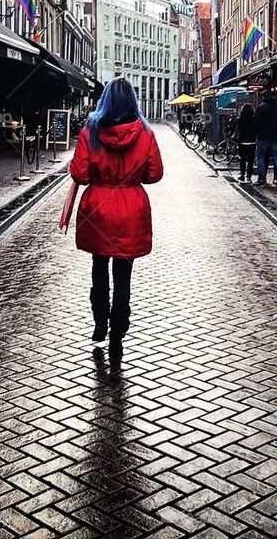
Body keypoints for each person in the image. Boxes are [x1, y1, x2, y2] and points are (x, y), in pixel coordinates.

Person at [70, 77, 164, 358]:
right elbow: (154, 173)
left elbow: (80, 174)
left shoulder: (91, 131)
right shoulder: (145, 133)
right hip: (130, 209)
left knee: (99, 267)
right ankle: (118, 333)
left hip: (98, 208)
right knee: (124, 274)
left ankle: (100, 322)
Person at [254, 93, 277, 187]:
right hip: (275, 137)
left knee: (261, 158)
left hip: (263, 137)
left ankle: (262, 179)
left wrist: (257, 133)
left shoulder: (260, 108)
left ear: (263, 98)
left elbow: (256, 123)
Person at [236, 103, 257, 182]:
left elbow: (234, 129)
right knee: (251, 160)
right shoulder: (254, 119)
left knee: (243, 159)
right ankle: (249, 176)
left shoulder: (239, 119)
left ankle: (242, 175)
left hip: (242, 142)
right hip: (252, 142)